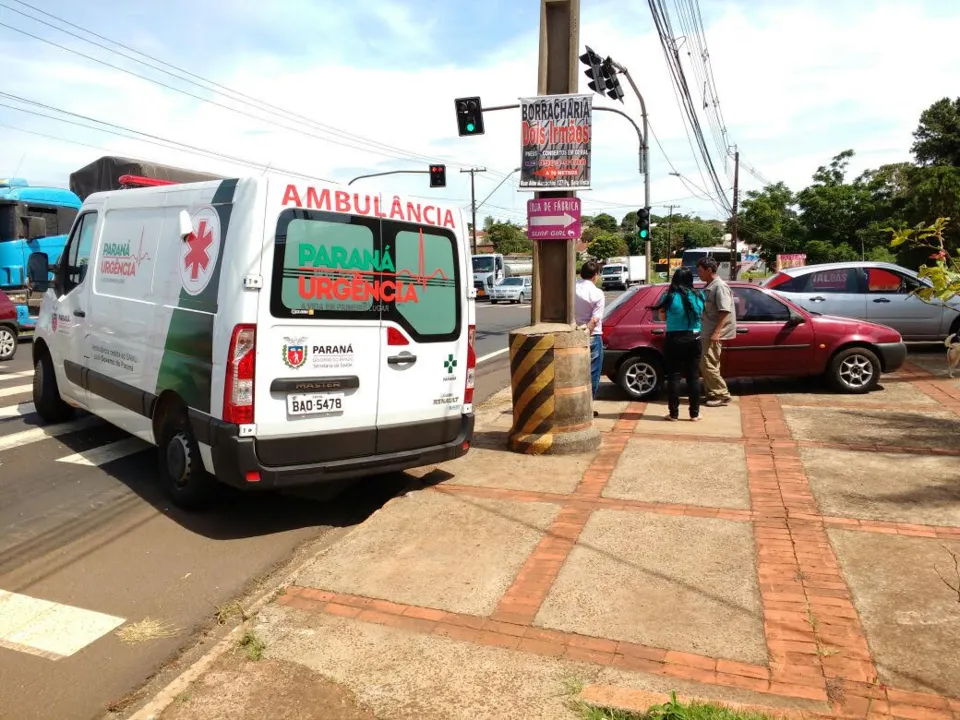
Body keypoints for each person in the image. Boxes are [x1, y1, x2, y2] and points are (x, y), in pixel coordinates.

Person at [650, 267, 705, 421]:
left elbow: (662, 317)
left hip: (674, 338)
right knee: (693, 377)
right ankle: (694, 413)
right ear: (690, 280)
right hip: (694, 337)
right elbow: (701, 314)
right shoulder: (699, 295)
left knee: (674, 377)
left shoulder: (669, 296)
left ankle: (673, 413)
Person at [696, 256, 736, 406]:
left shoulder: (719, 287)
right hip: (707, 330)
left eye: (700, 271)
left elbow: (724, 311)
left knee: (707, 364)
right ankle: (712, 394)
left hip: (712, 332)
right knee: (709, 364)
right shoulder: (710, 285)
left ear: (709, 270)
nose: (698, 273)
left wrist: (716, 332)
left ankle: (722, 394)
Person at [575, 259, 605, 417]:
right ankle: (587, 408)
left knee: (576, 374)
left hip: (573, 335)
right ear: (595, 275)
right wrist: (586, 333)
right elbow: (595, 320)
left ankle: (575, 406)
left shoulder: (572, 289)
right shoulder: (598, 293)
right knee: (592, 374)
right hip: (592, 337)